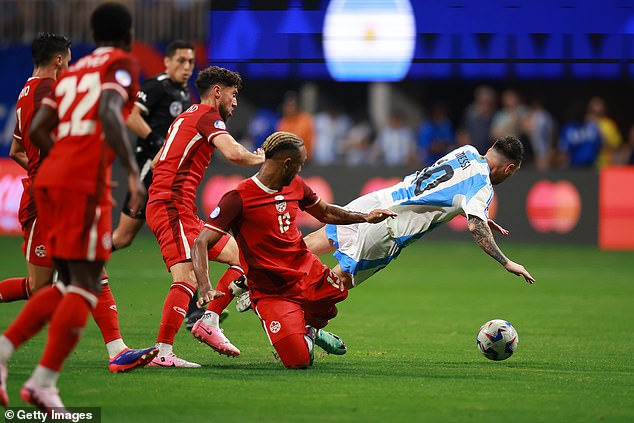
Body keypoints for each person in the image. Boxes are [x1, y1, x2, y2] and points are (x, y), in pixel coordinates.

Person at [0, 3, 154, 412]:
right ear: (127, 34)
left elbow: (35, 131)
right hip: (80, 186)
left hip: (53, 181)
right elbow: (107, 109)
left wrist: (61, 162)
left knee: (71, 283)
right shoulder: (120, 63)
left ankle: (25, 366)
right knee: (82, 284)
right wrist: (132, 171)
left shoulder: (76, 71)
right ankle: (41, 380)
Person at [191, 131, 396, 369]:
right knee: (298, 362)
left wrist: (365, 217)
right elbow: (201, 242)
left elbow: (326, 212)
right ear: (287, 164)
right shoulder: (238, 198)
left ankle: (308, 329)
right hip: (272, 290)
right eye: (299, 164)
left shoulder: (296, 185)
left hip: (306, 271)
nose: (300, 170)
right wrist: (205, 286)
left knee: (332, 303)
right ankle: (271, 313)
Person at [146, 66, 264, 368]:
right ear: (217, 92)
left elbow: (158, 160)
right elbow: (235, 154)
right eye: (233, 95)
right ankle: (162, 352)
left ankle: (209, 320)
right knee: (185, 279)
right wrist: (263, 158)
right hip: (171, 206)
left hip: (178, 207)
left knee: (244, 256)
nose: (235, 102)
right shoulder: (207, 117)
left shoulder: (185, 117)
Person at [303, 136, 535, 289]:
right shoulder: (483, 186)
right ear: (509, 168)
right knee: (336, 284)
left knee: (310, 244)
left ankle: (268, 274)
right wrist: (506, 262)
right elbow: (475, 227)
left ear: (490, 149)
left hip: (375, 201)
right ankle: (297, 322)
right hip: (389, 229)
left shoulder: (467, 151)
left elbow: (448, 189)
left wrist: (479, 215)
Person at [109, 39, 208, 328]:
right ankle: (193, 310)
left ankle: (193, 308)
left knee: (124, 238)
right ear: (167, 62)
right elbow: (130, 115)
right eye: (180, 61)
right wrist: (158, 145)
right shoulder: (157, 86)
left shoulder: (183, 94)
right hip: (150, 173)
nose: (186, 67)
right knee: (166, 237)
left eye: (190, 62)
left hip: (166, 175)